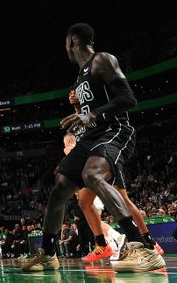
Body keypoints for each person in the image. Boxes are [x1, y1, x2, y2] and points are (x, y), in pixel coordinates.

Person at [22, 23, 165, 273]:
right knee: (60, 186)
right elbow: (89, 113)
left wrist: (92, 115)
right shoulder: (80, 78)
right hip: (91, 136)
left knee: (92, 175)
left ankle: (143, 248)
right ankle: (48, 253)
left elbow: (128, 99)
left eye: (66, 44)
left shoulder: (102, 60)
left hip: (115, 130)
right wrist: (79, 112)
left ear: (72, 42)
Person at [65, 91, 165, 261]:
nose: (72, 95)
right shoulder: (73, 123)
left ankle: (149, 240)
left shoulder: (94, 112)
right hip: (90, 166)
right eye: (70, 93)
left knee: (124, 201)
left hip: (106, 159)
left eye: (75, 92)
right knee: (84, 202)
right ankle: (102, 245)